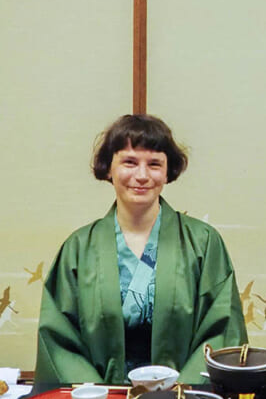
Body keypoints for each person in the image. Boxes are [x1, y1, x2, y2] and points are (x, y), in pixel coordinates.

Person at [35, 114, 247, 384]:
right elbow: (59, 338)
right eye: (130, 162)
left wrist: (181, 393)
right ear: (108, 168)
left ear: (168, 171)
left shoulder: (203, 242)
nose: (142, 175)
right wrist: (98, 397)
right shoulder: (78, 248)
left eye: (154, 164)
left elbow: (221, 328)